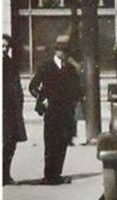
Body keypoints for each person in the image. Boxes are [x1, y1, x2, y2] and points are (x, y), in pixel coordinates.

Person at [29, 38, 82, 184]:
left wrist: (74, 102)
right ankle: (49, 175)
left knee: (62, 143)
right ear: (56, 51)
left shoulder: (70, 69)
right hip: (51, 111)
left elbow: (77, 89)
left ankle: (57, 174)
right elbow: (33, 86)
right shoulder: (45, 66)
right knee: (51, 143)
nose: (63, 53)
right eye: (61, 50)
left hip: (66, 112)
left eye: (66, 51)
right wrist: (42, 99)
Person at [3, 35, 27, 184]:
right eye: (2, 46)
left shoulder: (11, 64)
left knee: (10, 142)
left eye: (6, 47)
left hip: (11, 109)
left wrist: (20, 101)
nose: (4, 49)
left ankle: (5, 174)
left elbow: (17, 84)